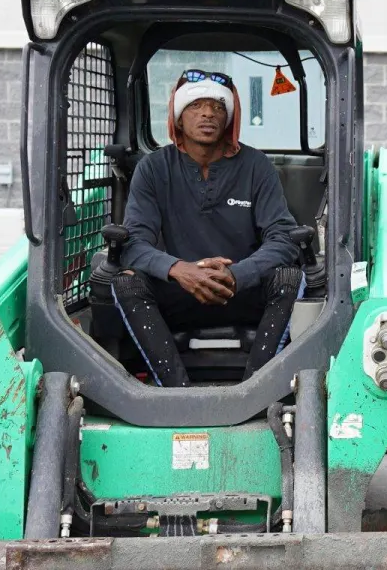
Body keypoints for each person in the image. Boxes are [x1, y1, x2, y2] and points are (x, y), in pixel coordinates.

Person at [112, 69, 303, 387]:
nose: (207, 114)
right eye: (195, 105)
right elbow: (133, 243)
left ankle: (254, 392)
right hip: (178, 290)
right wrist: (180, 270)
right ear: (178, 116)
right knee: (127, 281)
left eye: (217, 106)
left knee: (289, 278)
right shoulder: (154, 168)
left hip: (242, 291)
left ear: (229, 117)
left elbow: (283, 238)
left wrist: (237, 275)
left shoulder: (256, 166)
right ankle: (175, 394)